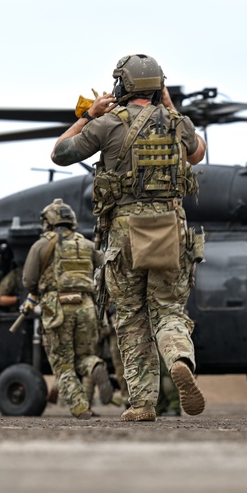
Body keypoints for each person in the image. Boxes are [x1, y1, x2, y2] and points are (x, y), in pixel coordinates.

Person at [50, 54, 207, 421]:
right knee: (168, 309)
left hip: (125, 235)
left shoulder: (107, 125)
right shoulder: (176, 123)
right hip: (171, 229)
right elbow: (198, 154)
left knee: (132, 316)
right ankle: (180, 359)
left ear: (123, 86)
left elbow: (59, 154)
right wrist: (170, 107)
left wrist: (88, 116)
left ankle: (142, 403)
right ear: (159, 88)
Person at [20, 198, 113, 419]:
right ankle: (94, 366)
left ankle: (80, 408)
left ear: (49, 221)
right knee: (84, 356)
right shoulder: (87, 244)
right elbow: (107, 268)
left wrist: (40, 288)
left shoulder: (41, 245)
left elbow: (28, 280)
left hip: (57, 308)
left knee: (63, 365)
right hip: (86, 307)